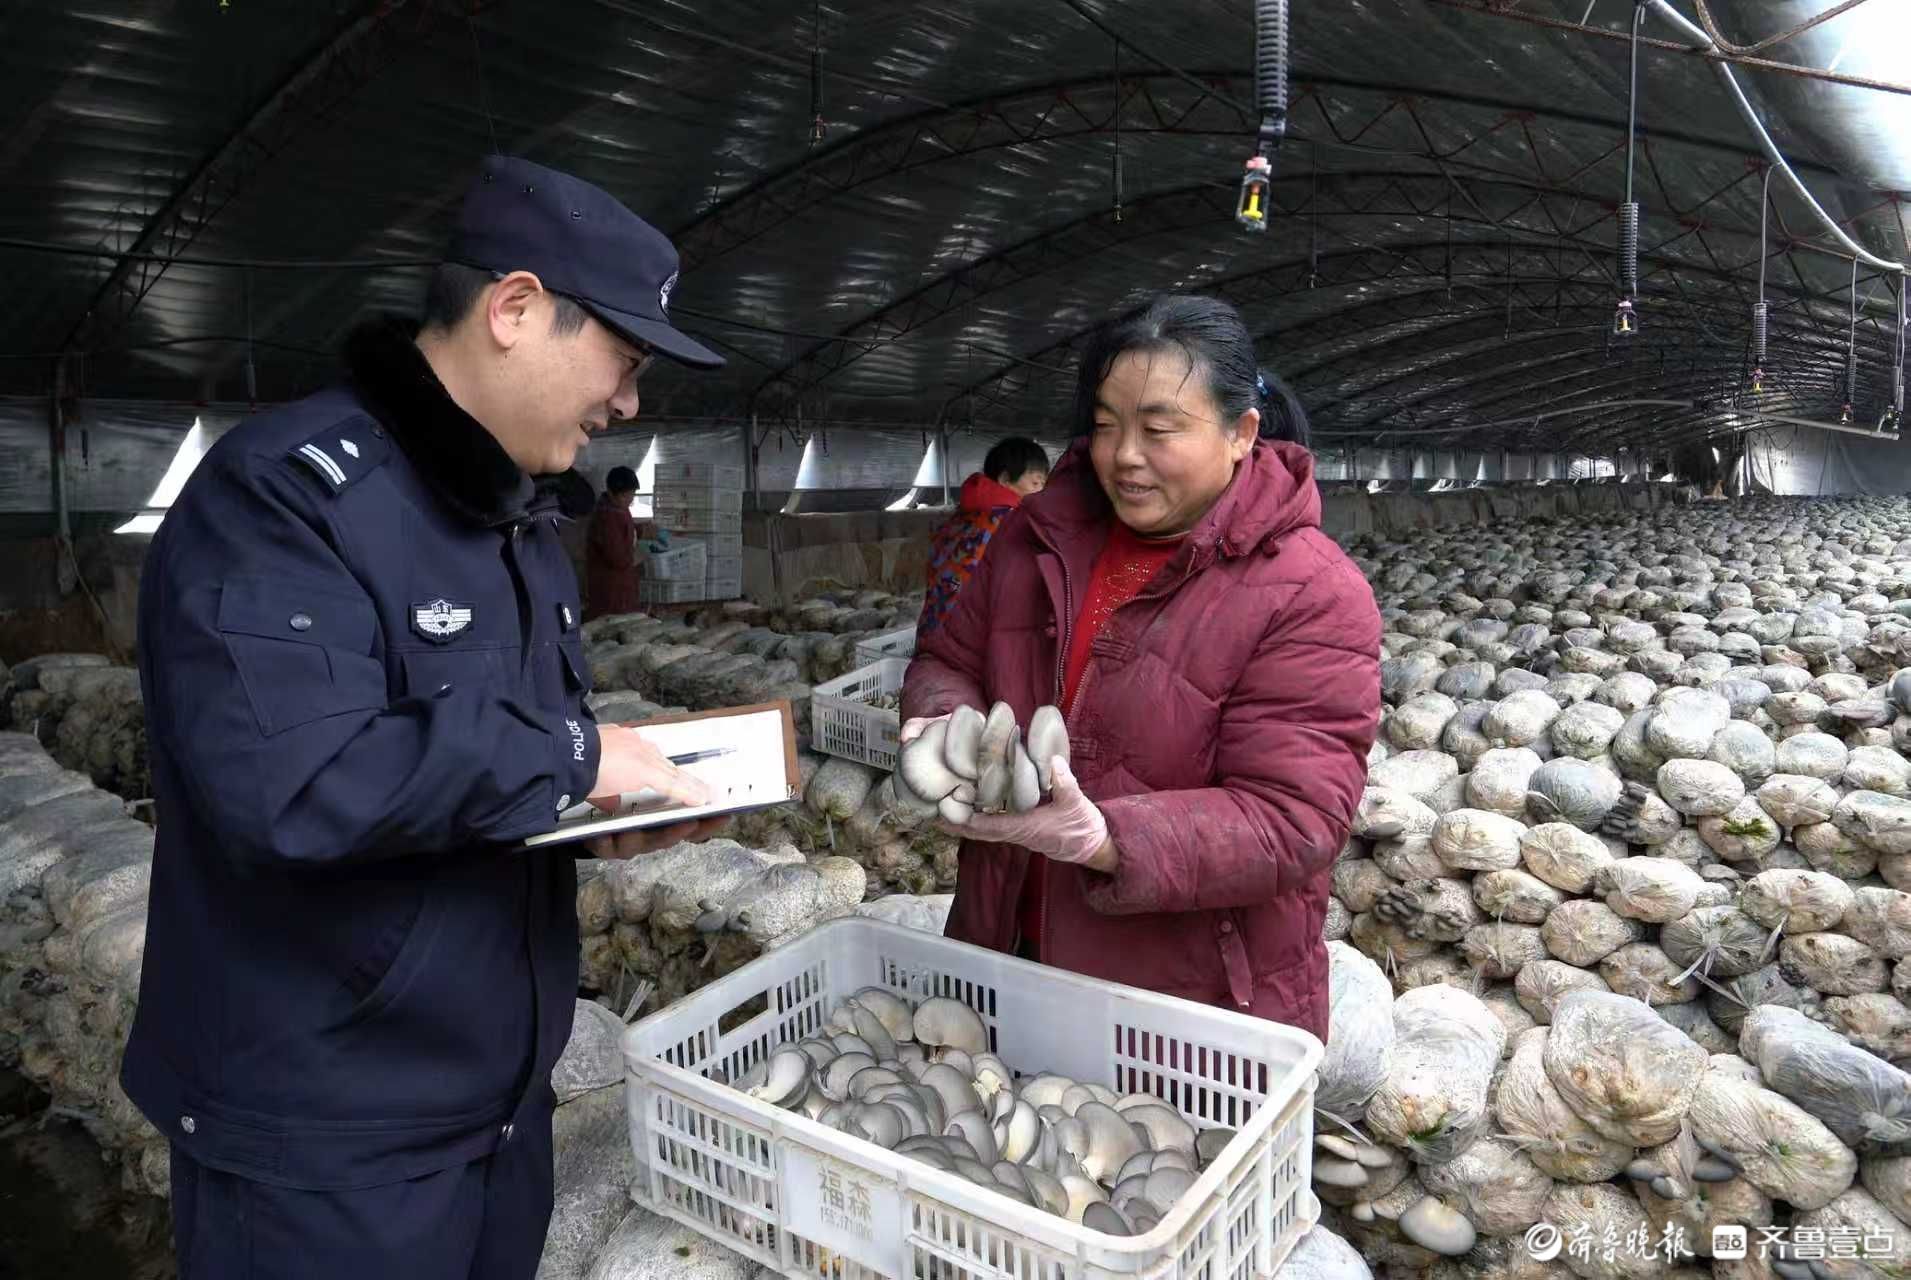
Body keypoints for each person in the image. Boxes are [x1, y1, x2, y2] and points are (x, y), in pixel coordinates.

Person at [122, 156, 735, 1280]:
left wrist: (591, 814)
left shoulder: (515, 519)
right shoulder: (283, 497)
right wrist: (573, 757)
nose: (628, 404)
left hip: (491, 1114)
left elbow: (472, 776)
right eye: (625, 360)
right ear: (516, 309)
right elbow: (293, 783)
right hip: (327, 1144)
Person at [898, 294, 1380, 1042]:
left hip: (1188, 1007)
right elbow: (946, 657)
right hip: (1005, 950)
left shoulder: (1312, 591)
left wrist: (1106, 838)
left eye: (1158, 430)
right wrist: (941, 722)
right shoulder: (1035, 538)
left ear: (1241, 434)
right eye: (1104, 425)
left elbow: (1293, 819)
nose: (1123, 455)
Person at [917, 436, 1050, 632]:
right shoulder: (1012, 522)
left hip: (934, 627)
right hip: (972, 634)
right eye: (1036, 483)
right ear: (1005, 480)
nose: (1042, 492)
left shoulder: (961, 516)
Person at [585, 463, 642, 619]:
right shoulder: (605, 517)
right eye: (624, 496)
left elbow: (625, 530)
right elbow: (617, 558)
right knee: (611, 624)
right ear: (610, 492)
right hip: (610, 588)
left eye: (632, 495)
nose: (629, 500)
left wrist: (642, 530)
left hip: (623, 585)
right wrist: (636, 557)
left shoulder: (619, 507)